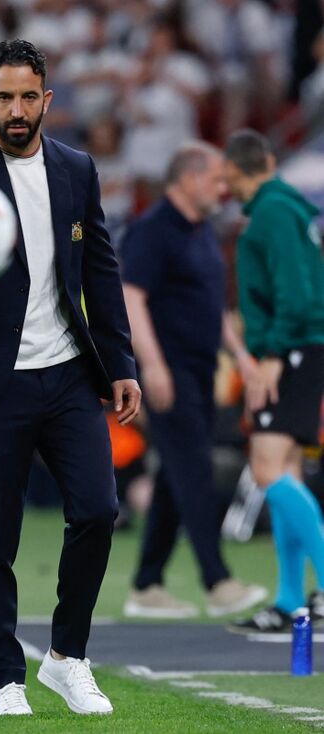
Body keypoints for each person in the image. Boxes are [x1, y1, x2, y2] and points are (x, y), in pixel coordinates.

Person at [0, 39, 141, 716]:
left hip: (69, 375)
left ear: (47, 99)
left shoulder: (76, 168)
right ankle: (7, 678)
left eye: (26, 97)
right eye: (3, 97)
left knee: (98, 511)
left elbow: (101, 269)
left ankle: (67, 658)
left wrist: (120, 363)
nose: (15, 110)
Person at [120, 142, 267, 620]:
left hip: (201, 368)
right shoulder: (152, 230)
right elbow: (132, 298)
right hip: (169, 368)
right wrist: (154, 365)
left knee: (175, 475)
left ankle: (146, 584)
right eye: (216, 179)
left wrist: (241, 356)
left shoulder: (203, 232)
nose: (224, 188)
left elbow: (210, 306)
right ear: (187, 178)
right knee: (195, 470)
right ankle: (217, 579)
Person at [221, 129, 324, 633]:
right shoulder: (288, 209)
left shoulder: (273, 214)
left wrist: (275, 355)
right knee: (285, 470)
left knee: (266, 470)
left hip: (292, 349)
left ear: (238, 170)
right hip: (302, 347)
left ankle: (317, 585)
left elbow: (297, 293)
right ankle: (289, 599)